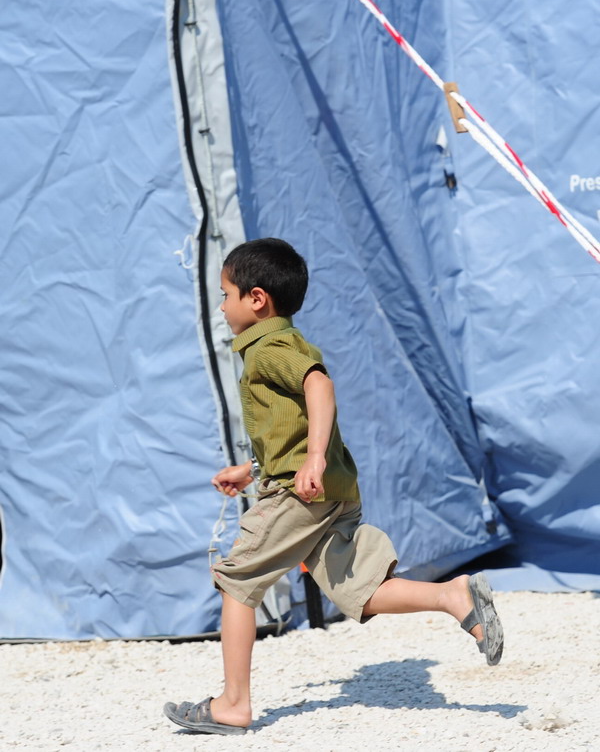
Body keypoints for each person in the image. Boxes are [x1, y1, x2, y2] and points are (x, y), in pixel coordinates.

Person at [164, 238, 504, 736]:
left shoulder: (269, 349)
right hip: (331, 490)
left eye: (225, 294)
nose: (221, 305)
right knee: (361, 590)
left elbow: (318, 386)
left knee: (237, 583)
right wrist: (252, 470)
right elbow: (290, 428)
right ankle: (454, 597)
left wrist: (314, 459)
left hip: (300, 493)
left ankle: (233, 704)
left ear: (256, 300)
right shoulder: (285, 341)